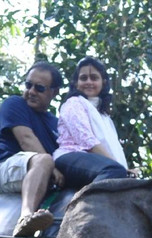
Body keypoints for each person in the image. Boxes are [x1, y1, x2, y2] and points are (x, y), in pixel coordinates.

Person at [0, 62, 64, 237]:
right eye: (28, 85)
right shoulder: (14, 104)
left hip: (37, 174)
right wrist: (53, 168)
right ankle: (25, 217)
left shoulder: (55, 123)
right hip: (1, 171)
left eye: (40, 88)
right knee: (44, 160)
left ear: (54, 92)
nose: (31, 91)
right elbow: (26, 140)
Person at [53, 57, 132, 190]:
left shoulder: (104, 116)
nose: (88, 82)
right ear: (76, 83)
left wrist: (126, 169)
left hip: (95, 162)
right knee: (113, 170)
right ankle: (83, 208)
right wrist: (119, 167)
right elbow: (87, 140)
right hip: (70, 157)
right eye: (83, 78)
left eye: (94, 78)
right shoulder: (73, 103)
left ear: (103, 82)